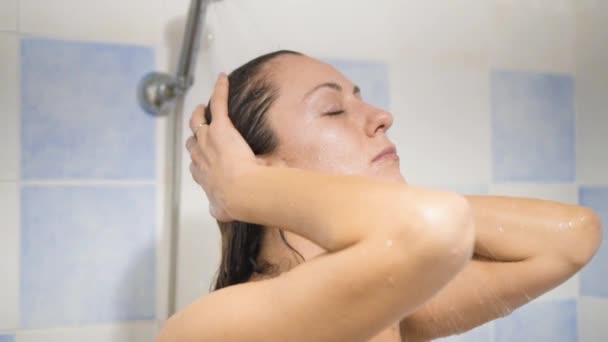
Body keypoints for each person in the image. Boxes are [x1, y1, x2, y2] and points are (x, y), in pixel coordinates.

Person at [157, 50, 603, 342]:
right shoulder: (212, 328)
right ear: (261, 165)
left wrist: (245, 187)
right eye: (333, 110)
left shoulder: (388, 307)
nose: (382, 116)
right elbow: (433, 226)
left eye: (361, 100)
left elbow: (572, 238)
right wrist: (244, 188)